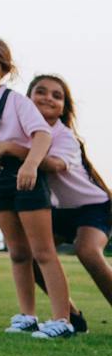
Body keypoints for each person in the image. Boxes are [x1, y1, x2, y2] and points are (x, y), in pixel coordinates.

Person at [0, 37, 74, 338]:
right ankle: (27, 315)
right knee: (18, 252)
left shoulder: (17, 102)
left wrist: (31, 165)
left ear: (5, 69)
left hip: (26, 179)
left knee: (43, 251)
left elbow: (42, 136)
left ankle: (62, 320)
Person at [19, 73, 111, 327]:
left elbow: (55, 165)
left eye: (56, 96)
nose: (47, 97)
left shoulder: (64, 136)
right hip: (59, 210)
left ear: (63, 108)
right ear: (27, 100)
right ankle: (71, 316)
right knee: (30, 254)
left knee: (87, 251)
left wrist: (21, 154)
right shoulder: (23, 134)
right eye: (41, 91)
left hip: (94, 208)